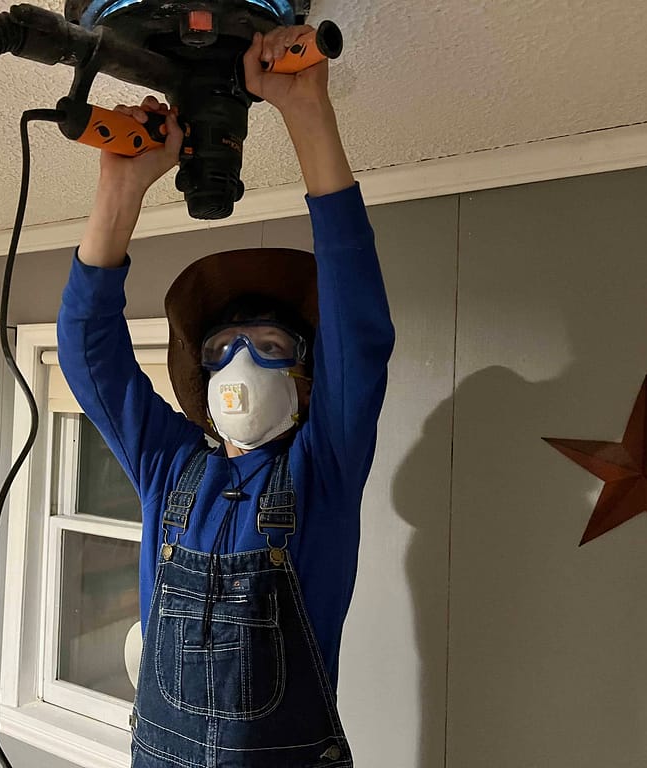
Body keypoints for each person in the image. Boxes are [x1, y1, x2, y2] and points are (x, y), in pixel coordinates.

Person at [57, 25, 395, 768]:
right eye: (223, 350)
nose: (242, 363)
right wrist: (119, 191)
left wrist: (309, 119)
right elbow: (88, 355)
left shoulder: (323, 470)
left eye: (269, 347)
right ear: (200, 378)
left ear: (307, 376)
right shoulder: (169, 469)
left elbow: (359, 326)